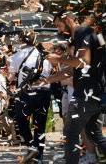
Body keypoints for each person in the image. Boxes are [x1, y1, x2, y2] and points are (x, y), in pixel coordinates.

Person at [40, 10, 106, 164]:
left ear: (68, 19)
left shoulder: (84, 33)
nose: (58, 30)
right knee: (94, 134)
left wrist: (58, 58)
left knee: (70, 135)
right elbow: (72, 70)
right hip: (95, 94)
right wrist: (48, 80)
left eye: (58, 25)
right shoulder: (85, 36)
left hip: (85, 95)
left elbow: (83, 61)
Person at [8, 30, 52, 163]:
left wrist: (11, 76)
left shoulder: (16, 56)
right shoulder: (44, 55)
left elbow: (11, 77)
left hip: (26, 93)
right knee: (40, 125)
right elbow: (48, 73)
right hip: (44, 91)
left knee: (20, 119)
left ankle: (31, 145)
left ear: (21, 40)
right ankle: (39, 156)